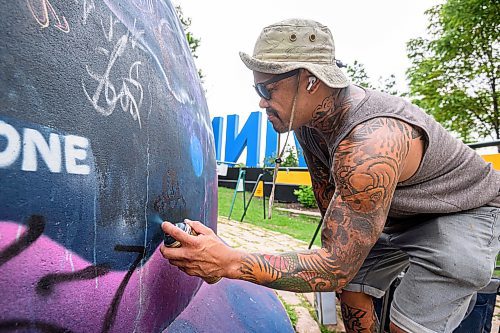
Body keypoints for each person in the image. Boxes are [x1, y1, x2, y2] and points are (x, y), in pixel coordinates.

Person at [160, 18, 500, 332]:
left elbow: (334, 266)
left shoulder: (371, 144)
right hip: (399, 214)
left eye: (267, 90)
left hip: (462, 213)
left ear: (310, 82)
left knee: (404, 325)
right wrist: (336, 269)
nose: (261, 103)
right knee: (350, 291)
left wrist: (231, 262)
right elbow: (335, 240)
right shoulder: (309, 125)